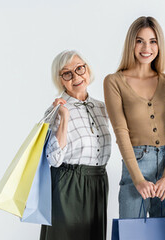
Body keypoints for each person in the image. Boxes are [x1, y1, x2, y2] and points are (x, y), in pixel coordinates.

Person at [103, 16, 165, 219]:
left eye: (153, 41)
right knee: (132, 232)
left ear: (159, 45)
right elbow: (121, 131)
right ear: (131, 43)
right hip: (136, 162)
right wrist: (138, 179)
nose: (146, 47)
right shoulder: (114, 81)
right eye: (140, 40)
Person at [40, 50, 112, 240]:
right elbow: (53, 160)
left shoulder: (102, 107)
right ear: (61, 80)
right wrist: (64, 117)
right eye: (67, 73)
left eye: (80, 68)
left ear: (87, 69)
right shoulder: (57, 109)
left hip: (98, 182)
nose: (76, 77)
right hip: (69, 184)